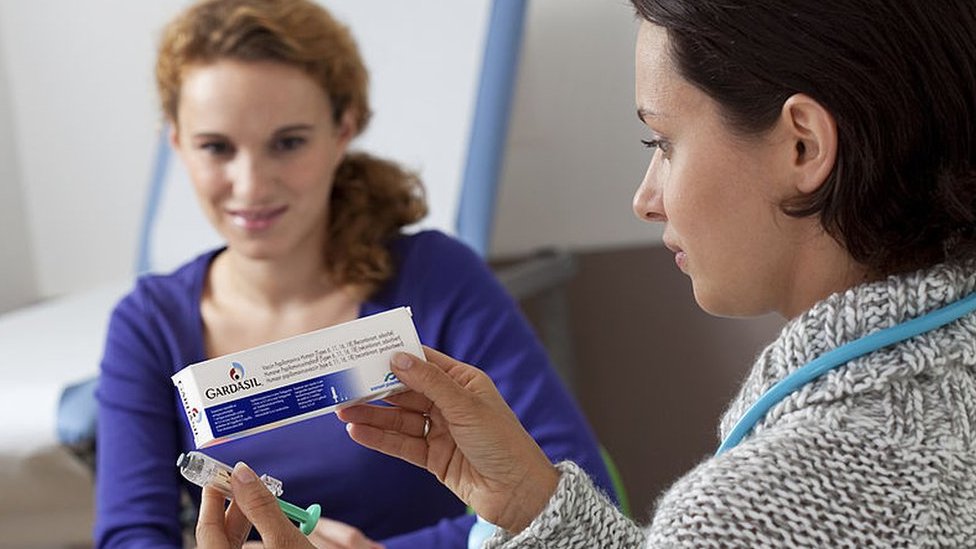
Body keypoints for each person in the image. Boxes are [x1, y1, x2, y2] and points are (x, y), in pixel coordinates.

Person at [198, 0, 976, 547]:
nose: (645, 199)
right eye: (215, 147)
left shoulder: (759, 504)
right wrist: (535, 511)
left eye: (660, 143)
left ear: (803, 145)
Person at [93, 1, 616, 547]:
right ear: (176, 140)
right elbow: (131, 535)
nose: (250, 185)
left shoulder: (436, 280)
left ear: (343, 129)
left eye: (288, 142)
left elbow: (575, 494)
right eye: (216, 147)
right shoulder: (148, 325)